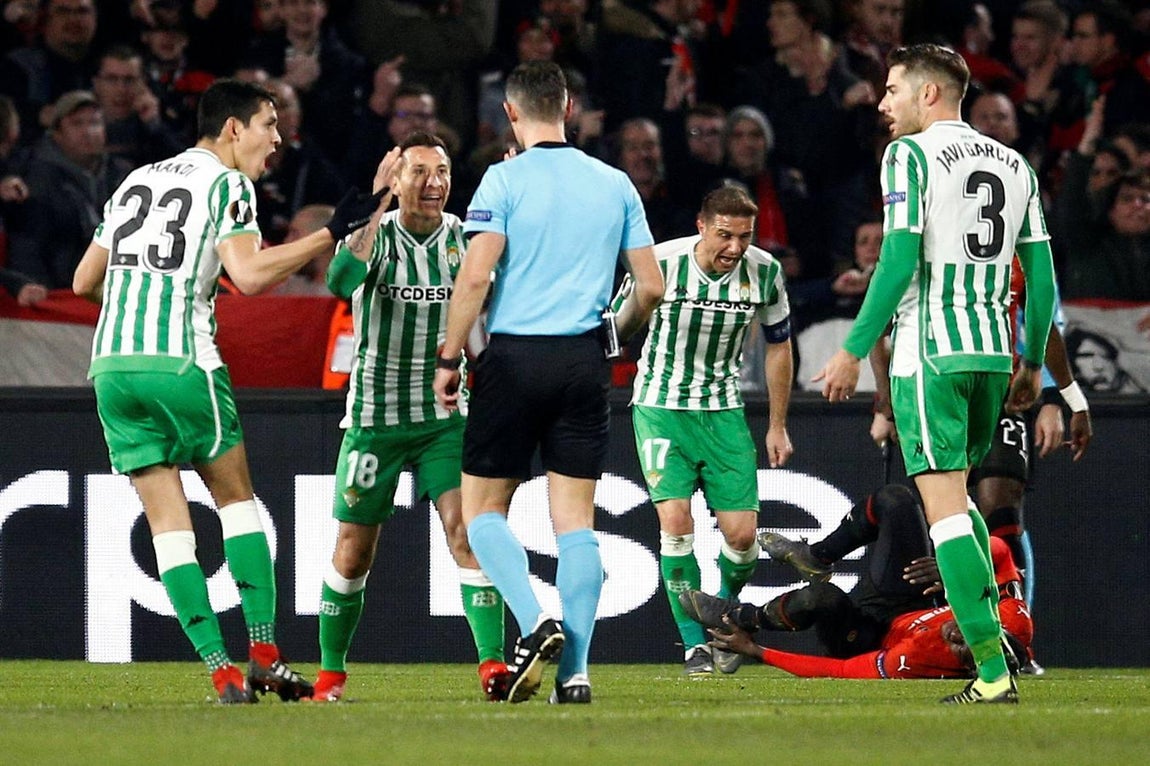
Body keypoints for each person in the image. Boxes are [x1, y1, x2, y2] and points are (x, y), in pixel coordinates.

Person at [71, 78, 388, 703]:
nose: (278, 139)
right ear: (233, 128)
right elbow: (248, 275)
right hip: (182, 361)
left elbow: (85, 281)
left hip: (111, 365)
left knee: (167, 524)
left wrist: (143, 298)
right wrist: (330, 234)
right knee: (236, 501)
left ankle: (221, 670)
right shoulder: (227, 183)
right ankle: (264, 654)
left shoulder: (134, 182)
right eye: (269, 124)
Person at [814, 44, 1057, 705]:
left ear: (929, 93)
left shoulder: (909, 156)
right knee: (965, 508)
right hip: (992, 356)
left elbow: (896, 260)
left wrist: (852, 348)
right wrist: (1033, 361)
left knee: (944, 512)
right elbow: (1042, 279)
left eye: (892, 89)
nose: (882, 103)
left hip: (931, 354)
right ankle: (999, 636)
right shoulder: (1015, 164)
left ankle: (992, 671)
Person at [432, 61, 663, 704]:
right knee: (575, 525)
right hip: (584, 362)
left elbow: (475, 276)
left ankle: (536, 623)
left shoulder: (503, 179)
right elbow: (651, 286)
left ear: (510, 113)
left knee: (481, 512)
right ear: (567, 107)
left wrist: (450, 357)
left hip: (514, 359)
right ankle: (576, 675)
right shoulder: (614, 182)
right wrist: (614, 333)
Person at [309, 132, 510, 704]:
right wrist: (373, 207)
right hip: (375, 418)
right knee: (354, 549)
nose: (433, 182)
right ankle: (331, 674)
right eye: (418, 171)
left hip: (445, 416)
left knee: (466, 531)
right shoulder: (378, 236)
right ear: (395, 182)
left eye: (441, 171)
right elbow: (339, 284)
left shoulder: (465, 240)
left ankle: (493, 666)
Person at [611, 184, 794, 677]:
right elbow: (615, 329)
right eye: (724, 235)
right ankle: (694, 646)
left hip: (723, 411)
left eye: (744, 236)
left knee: (743, 537)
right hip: (660, 407)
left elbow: (779, 345)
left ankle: (722, 619)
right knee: (675, 524)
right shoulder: (660, 263)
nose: (735, 247)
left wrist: (777, 424)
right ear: (701, 226)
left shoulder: (766, 272)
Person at [679, 483, 1034, 679]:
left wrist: (758, 652)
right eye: (969, 639)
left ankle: (738, 617)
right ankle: (816, 556)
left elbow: (841, 668)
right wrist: (953, 567)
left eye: (959, 653)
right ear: (992, 633)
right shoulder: (1015, 619)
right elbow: (1001, 553)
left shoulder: (916, 661)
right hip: (916, 597)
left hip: (867, 638)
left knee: (822, 598)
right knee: (895, 500)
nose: (954, 637)